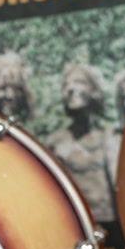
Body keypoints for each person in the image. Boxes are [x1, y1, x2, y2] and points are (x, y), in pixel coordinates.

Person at [46, 63, 116, 221]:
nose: (70, 88)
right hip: (77, 225)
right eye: (66, 84)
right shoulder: (54, 143)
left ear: (94, 90)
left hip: (114, 230)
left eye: (80, 82)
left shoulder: (110, 137)